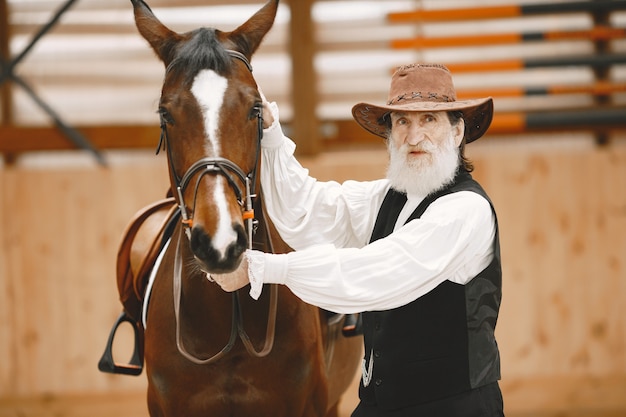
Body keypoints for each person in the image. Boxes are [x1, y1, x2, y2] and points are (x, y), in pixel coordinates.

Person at [213, 63, 504, 416]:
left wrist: (259, 267)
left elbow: (375, 272)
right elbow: (308, 208)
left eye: (429, 120)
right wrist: (272, 134)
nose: (414, 137)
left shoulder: (466, 210)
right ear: (389, 135)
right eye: (402, 122)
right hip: (381, 404)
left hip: (455, 407)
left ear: (457, 132)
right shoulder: (387, 197)